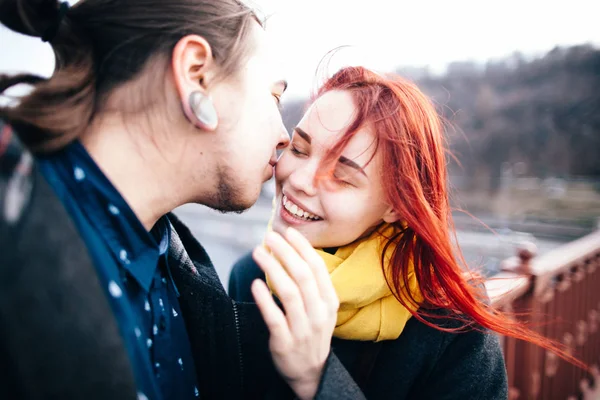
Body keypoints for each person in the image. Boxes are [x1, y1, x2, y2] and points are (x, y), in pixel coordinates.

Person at [0, 0, 352, 399]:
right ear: (195, 74)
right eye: (273, 97)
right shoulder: (12, 243)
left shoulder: (172, 273)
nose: (284, 135)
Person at [230, 66, 584, 399]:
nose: (300, 180)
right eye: (299, 148)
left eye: (342, 175)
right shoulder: (253, 275)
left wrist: (316, 377)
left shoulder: (449, 324)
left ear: (395, 207)